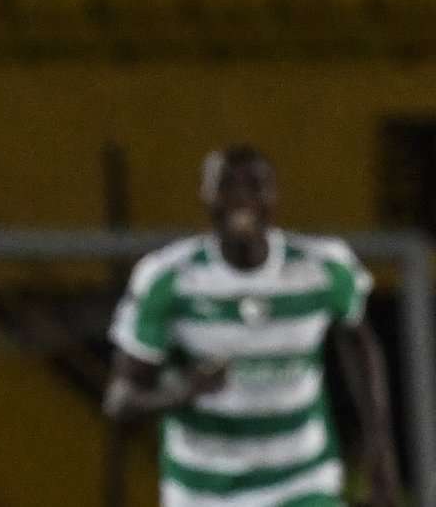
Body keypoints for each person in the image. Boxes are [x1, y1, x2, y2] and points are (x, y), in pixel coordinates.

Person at [103, 145, 402, 507]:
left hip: (300, 480)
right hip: (202, 490)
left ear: (274, 196)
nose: (241, 197)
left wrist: (380, 452)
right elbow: (120, 402)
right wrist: (182, 392)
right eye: (226, 185)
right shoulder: (167, 279)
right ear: (206, 195)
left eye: (255, 185)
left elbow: (358, 343)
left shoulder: (322, 268)